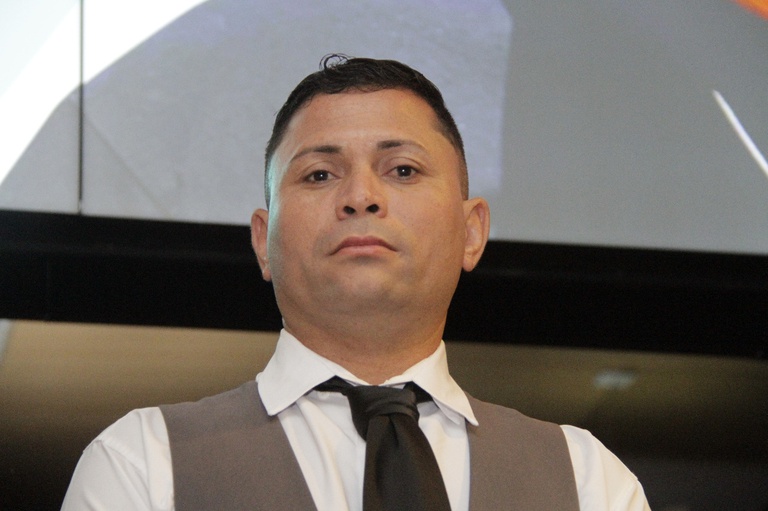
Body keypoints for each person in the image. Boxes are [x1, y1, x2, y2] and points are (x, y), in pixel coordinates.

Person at [62, 55, 651, 510]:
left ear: (472, 232)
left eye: (403, 170)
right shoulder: (142, 465)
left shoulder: (588, 480)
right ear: (263, 240)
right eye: (320, 174)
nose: (361, 196)